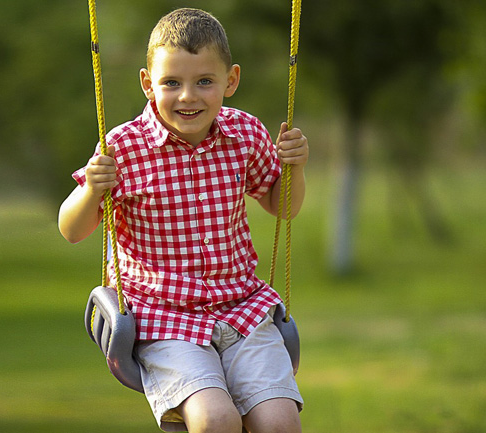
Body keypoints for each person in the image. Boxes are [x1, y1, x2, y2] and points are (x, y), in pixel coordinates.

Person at [59, 8, 309, 433]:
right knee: (216, 420)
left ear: (231, 81)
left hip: (242, 310)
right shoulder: (123, 146)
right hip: (165, 317)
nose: (187, 96)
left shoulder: (245, 133)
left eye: (204, 82)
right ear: (147, 82)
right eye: (171, 83)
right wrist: (91, 190)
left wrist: (294, 168)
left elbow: (281, 205)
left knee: (279, 422)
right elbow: (72, 230)